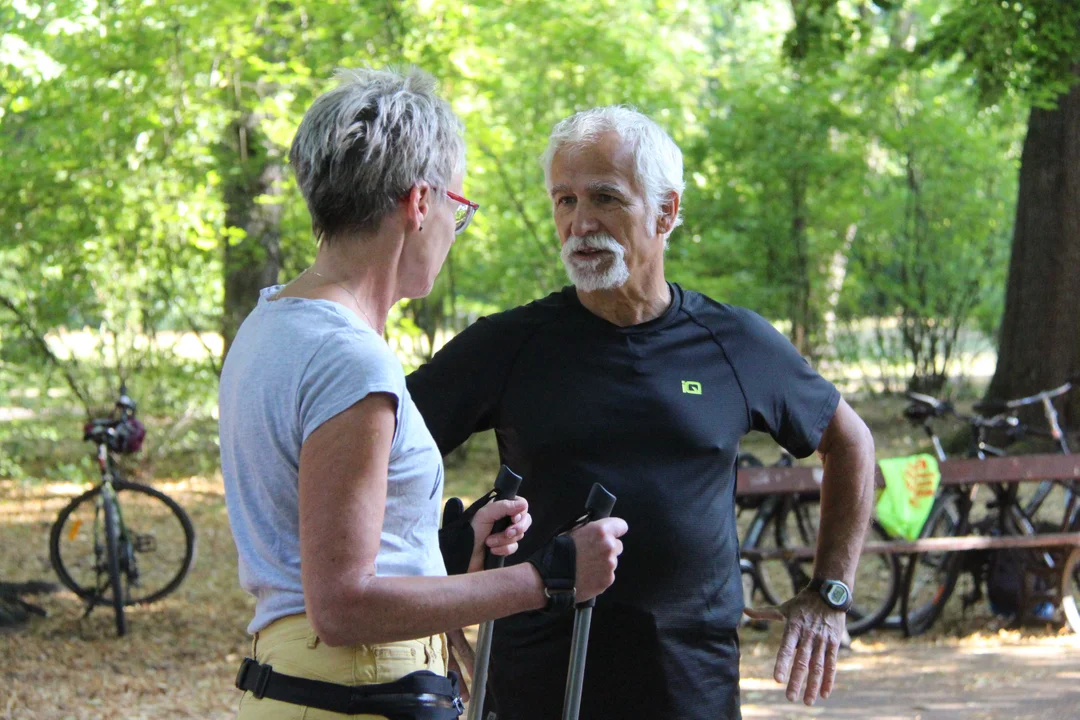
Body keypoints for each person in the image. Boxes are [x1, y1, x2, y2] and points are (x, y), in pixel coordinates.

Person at [406, 106, 876, 719]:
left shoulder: (733, 343)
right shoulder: (511, 344)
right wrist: (440, 580)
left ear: (667, 211)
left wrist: (830, 594)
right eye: (565, 200)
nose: (580, 222)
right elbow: (386, 456)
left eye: (605, 197)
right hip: (538, 682)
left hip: (689, 684)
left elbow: (851, 442)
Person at [218, 69, 628, 720]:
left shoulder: (269, 327)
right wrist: (546, 576)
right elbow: (344, 605)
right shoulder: (349, 359)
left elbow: (315, 560)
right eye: (457, 209)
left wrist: (447, 549)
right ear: (418, 204)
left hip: (294, 686)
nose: (452, 229)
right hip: (360, 689)